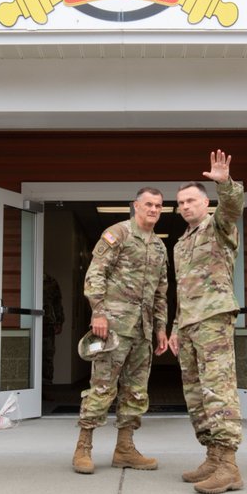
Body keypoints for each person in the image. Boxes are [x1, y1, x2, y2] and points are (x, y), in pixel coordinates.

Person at [72, 187, 169, 475]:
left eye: (159, 206)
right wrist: (98, 313)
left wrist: (161, 328)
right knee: (102, 387)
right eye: (148, 204)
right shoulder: (118, 234)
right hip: (113, 327)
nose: (154, 209)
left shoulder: (159, 247)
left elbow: (161, 292)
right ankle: (83, 447)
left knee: (136, 391)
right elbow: (95, 274)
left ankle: (125, 448)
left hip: (143, 331)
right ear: (135, 206)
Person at [167, 150, 245, 494]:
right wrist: (174, 328)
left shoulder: (219, 227)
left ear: (205, 203)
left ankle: (229, 465)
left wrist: (224, 183)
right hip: (189, 325)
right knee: (197, 394)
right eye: (180, 202)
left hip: (213, 319)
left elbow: (232, 208)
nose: (184, 207)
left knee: (218, 389)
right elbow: (183, 291)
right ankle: (212, 457)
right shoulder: (181, 244)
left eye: (191, 201)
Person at [41, 273, 64, 385]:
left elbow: (57, 303)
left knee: (47, 356)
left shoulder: (51, 282)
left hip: (47, 324)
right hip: (28, 324)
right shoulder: (27, 275)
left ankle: (47, 389)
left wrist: (59, 322)